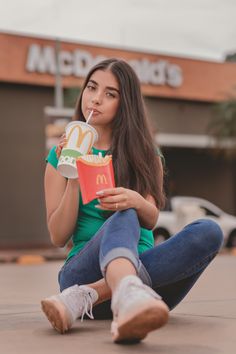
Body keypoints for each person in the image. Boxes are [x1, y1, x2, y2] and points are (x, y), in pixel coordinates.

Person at [41, 58, 223, 344]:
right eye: (92, 88)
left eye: (110, 94)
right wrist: (73, 173)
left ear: (124, 104)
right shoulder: (58, 158)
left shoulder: (146, 154)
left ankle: (99, 295)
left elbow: (150, 219)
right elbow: (58, 236)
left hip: (143, 293)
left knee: (209, 231)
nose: (96, 99)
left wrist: (136, 200)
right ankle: (121, 290)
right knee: (124, 215)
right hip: (80, 272)